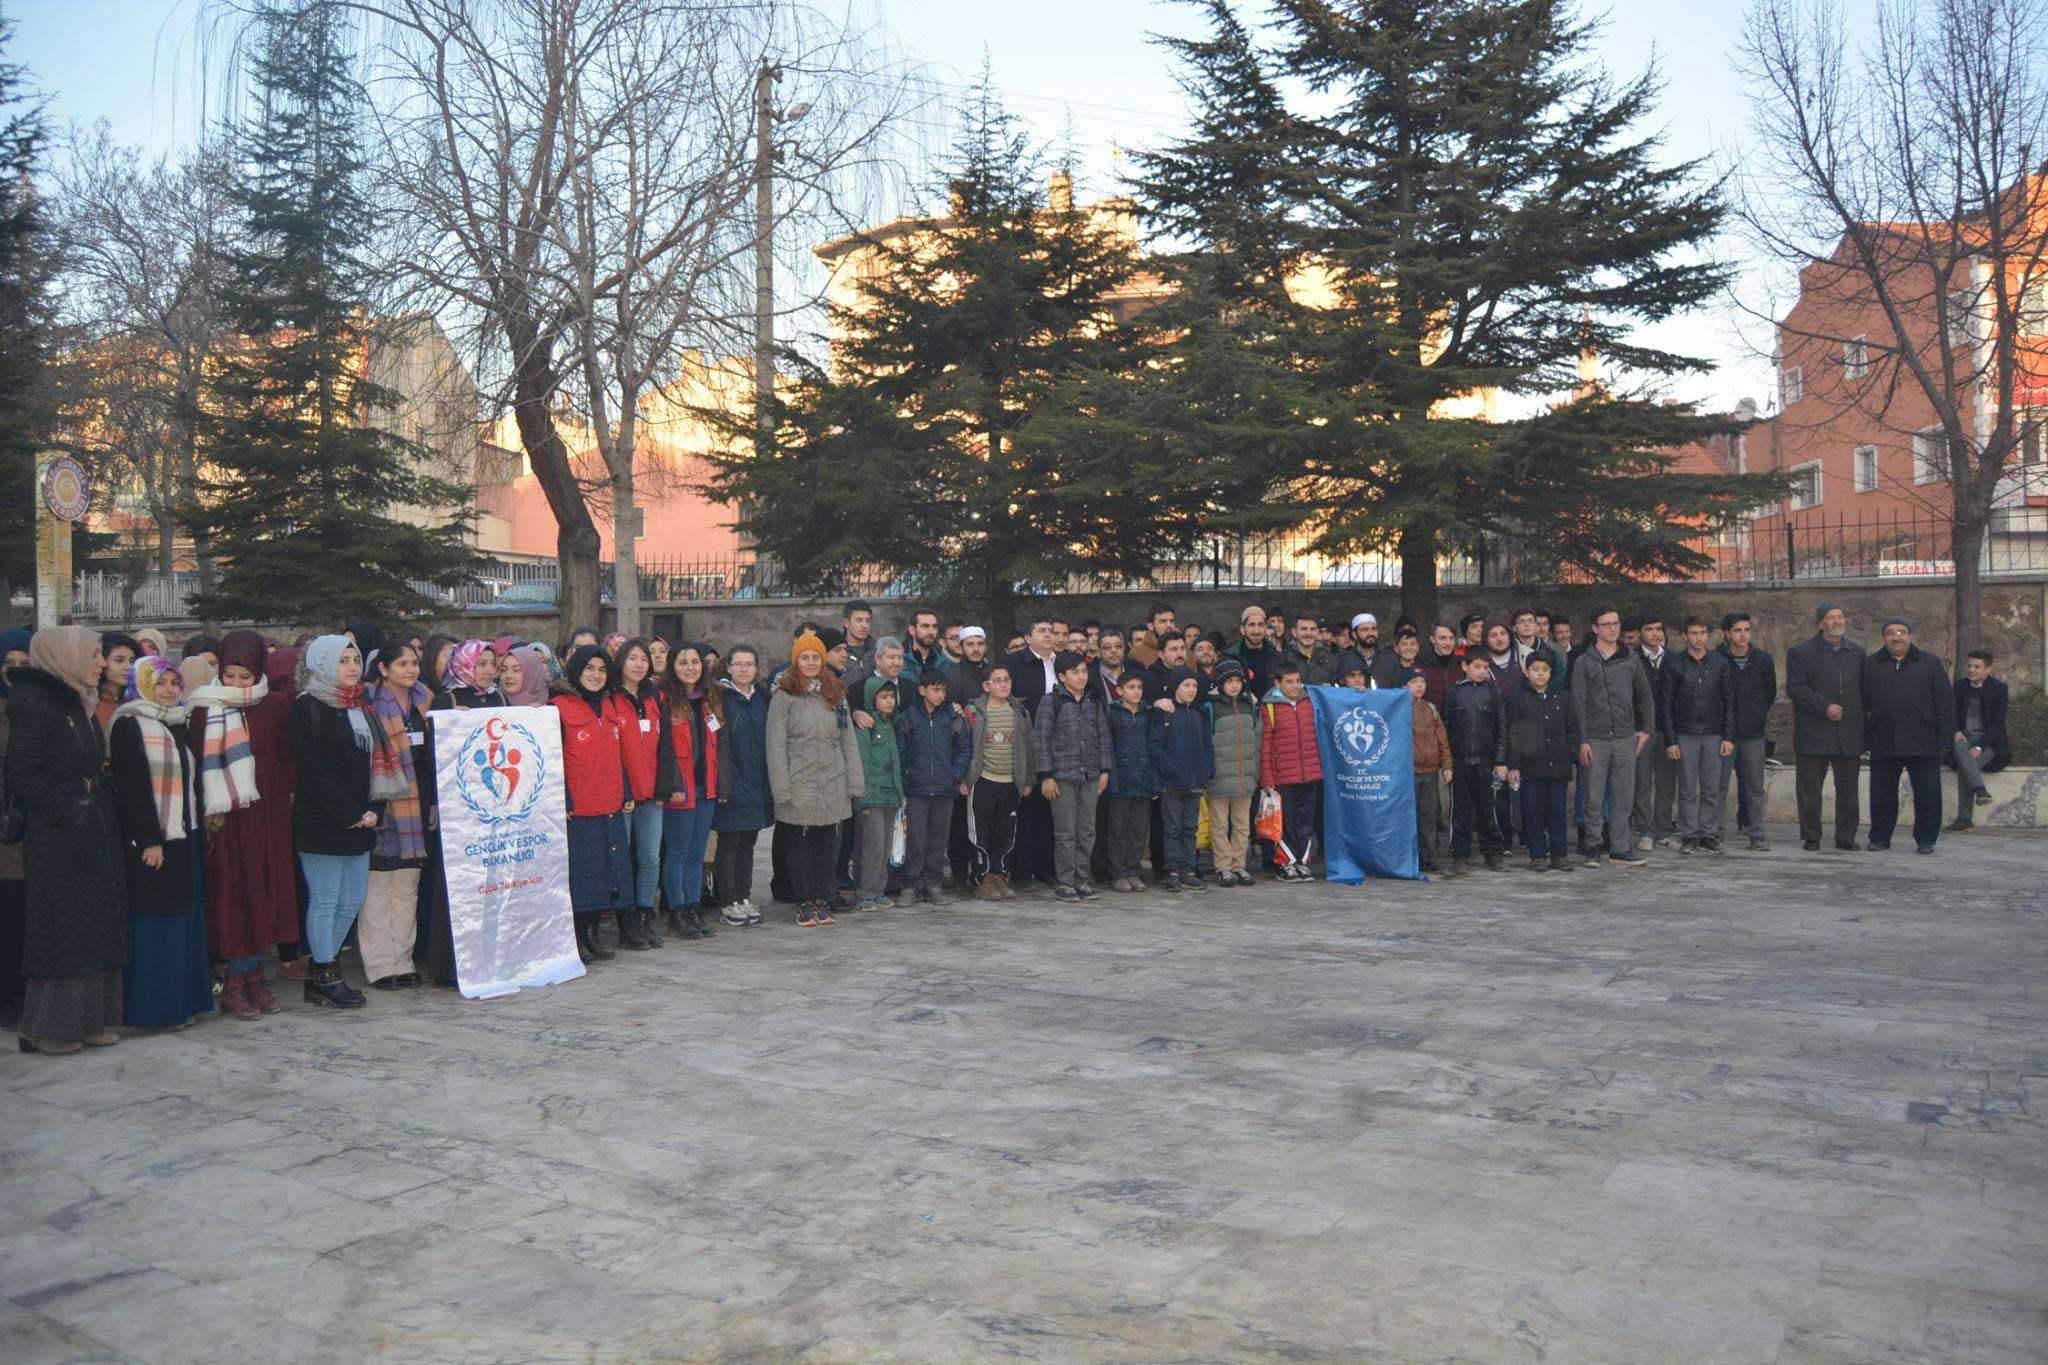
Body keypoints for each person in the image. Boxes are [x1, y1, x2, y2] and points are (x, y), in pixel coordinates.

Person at [7, 628, 129, 1054]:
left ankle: (87, 1021)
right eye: (94, 655)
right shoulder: (38, 706)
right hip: (60, 834)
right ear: (66, 657)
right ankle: (47, 1028)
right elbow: (21, 773)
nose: (100, 662)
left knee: (95, 924)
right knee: (64, 930)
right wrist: (66, 813)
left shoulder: (77, 700)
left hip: (91, 827)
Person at [187, 632, 298, 1011]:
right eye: (230, 675)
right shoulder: (203, 708)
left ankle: (255, 976)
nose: (236, 684)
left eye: (245, 677)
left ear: (259, 672)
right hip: (228, 822)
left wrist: (281, 803)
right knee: (235, 897)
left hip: (268, 816)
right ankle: (236, 979)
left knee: (264, 894)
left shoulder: (276, 706)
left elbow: (287, 760)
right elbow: (199, 769)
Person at [106, 654, 214, 1030]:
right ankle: (156, 1011)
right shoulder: (129, 724)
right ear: (142, 685)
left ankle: (184, 1003)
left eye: (174, 683)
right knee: (156, 923)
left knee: (183, 922)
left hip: (185, 838)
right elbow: (132, 789)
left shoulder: (176, 723)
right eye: (160, 682)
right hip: (154, 842)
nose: (169, 690)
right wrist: (149, 839)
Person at [291, 636, 391, 1008]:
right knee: (326, 899)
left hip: (362, 820)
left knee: (353, 900)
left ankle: (321, 974)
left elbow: (378, 765)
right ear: (321, 663)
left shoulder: (361, 707)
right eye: (343, 660)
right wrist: (349, 813)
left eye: (355, 659)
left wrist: (374, 811)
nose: (352, 667)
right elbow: (310, 770)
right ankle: (326, 974)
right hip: (324, 821)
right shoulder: (306, 707)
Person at [769, 633, 865, 927]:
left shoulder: (835, 693)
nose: (810, 663)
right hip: (799, 783)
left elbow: (848, 739)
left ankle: (823, 897)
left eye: (815, 657)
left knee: (828, 845)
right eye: (804, 657)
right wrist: (781, 787)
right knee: (800, 845)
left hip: (833, 781)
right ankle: (803, 900)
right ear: (795, 661)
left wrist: (854, 782)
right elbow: (776, 745)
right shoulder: (784, 696)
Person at [361, 641, 434, 991]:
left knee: (407, 889)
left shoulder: (425, 701)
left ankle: (403, 961)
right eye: (402, 663)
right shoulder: (370, 706)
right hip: (383, 804)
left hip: (416, 807)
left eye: (414, 663)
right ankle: (379, 966)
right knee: (378, 890)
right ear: (384, 668)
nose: (411, 669)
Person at [551, 646, 631, 960]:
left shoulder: (610, 705)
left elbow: (617, 753)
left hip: (609, 803)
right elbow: (554, 758)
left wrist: (624, 790)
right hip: (579, 807)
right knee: (580, 875)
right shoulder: (558, 707)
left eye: (601, 669)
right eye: (589, 669)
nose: (596, 675)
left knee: (604, 873)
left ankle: (593, 934)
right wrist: (564, 798)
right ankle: (575, 938)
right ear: (576, 671)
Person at [1861, 616, 1954, 854]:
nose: (1896, 637)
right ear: (1884, 638)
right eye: (1890, 632)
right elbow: (1862, 704)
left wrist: (1944, 739)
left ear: (1910, 635)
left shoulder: (1930, 664)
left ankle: (1926, 840)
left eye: (1901, 632)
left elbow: (1945, 703)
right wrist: (1865, 739)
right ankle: (1880, 838)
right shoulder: (1871, 665)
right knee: (1881, 796)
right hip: (1884, 741)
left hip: (1923, 742)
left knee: (1928, 795)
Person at [1571, 607, 1652, 868]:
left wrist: (1646, 730)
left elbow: (1645, 696)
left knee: (1624, 796)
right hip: (1595, 739)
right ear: (1595, 628)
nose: (1612, 628)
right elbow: (1578, 704)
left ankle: (1620, 848)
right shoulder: (1584, 661)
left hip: (1626, 737)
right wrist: (1582, 739)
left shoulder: (1631, 659)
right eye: (1606, 624)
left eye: (1615, 623)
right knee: (1593, 797)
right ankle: (1593, 846)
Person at [653, 643, 723, 936]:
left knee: (697, 854)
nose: (690, 667)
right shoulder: (664, 699)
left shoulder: (708, 698)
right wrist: (672, 785)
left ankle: (694, 907)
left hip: (705, 787)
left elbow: (716, 744)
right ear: (673, 666)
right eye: (683, 662)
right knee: (678, 853)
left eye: (695, 662)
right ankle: (677, 912)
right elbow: (662, 749)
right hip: (680, 788)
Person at [1784, 603, 1865, 852]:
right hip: (1814, 731)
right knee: (1809, 789)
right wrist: (1824, 706)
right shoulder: (1800, 653)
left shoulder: (1857, 652)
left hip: (1848, 733)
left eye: (1841, 617)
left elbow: (1865, 689)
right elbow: (1796, 689)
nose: (1837, 622)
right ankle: (1811, 836)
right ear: (1821, 624)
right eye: (1831, 618)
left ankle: (1846, 837)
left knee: (1849, 791)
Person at [1034, 651, 1112, 903]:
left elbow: (1103, 737)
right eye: (1075, 672)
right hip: (1062, 777)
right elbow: (1041, 739)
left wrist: (1105, 771)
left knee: (1087, 831)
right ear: (1062, 676)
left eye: (1083, 671)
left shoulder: (1093, 700)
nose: (1081, 676)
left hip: (1090, 774)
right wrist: (1046, 775)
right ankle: (1065, 882)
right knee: (1066, 831)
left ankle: (1082, 879)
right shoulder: (1051, 701)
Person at [898, 670, 972, 906]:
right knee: (916, 839)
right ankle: (911, 885)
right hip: (917, 788)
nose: (940, 695)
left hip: (944, 788)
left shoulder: (952, 717)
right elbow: (900, 752)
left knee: (938, 840)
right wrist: (904, 779)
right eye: (935, 689)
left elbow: (964, 748)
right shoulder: (908, 717)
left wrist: (955, 775)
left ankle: (934, 884)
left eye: (943, 690)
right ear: (922, 691)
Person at [610, 638, 665, 951]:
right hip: (624, 796)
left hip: (651, 794)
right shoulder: (611, 698)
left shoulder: (654, 697)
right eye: (632, 658)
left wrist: (663, 788)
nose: (640, 663)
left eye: (644, 658)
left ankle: (645, 913)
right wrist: (624, 788)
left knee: (650, 858)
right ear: (621, 663)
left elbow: (665, 746)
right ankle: (625, 920)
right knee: (623, 860)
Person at [1000, 619, 1063, 890]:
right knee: (1026, 810)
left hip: (1059, 746)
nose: (1048, 635)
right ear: (1028, 637)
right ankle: (1022, 871)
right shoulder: (1016, 664)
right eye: (1042, 631)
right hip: (1026, 744)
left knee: (1052, 812)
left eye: (1051, 631)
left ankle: (1047, 868)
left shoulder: (1062, 664)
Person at [711, 646, 771, 926]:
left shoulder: (763, 698)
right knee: (729, 843)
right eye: (739, 664)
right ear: (729, 668)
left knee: (749, 842)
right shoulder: (720, 698)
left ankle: (744, 896)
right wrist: (727, 781)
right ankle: (728, 900)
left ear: (757, 669)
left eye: (750, 664)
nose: (744, 669)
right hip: (731, 784)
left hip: (758, 782)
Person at [1663, 618, 1735, 855]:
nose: (1699, 638)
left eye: (1703, 633)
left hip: (1714, 734)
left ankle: (1709, 834)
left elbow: (1730, 702)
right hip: (1686, 734)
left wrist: (1728, 736)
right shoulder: (1674, 663)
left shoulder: (1720, 663)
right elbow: (1667, 704)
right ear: (1685, 636)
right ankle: (1689, 835)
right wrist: (1671, 740)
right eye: (1693, 633)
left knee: (1711, 788)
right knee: (1686, 788)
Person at [1505, 653, 1578, 873]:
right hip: (1530, 766)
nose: (1540, 673)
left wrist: (1570, 753)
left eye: (1545, 669)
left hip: (1558, 764)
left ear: (1551, 673)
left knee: (1557, 812)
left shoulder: (1563, 697)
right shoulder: (1518, 697)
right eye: (1535, 669)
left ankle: (1559, 854)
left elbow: (1573, 728)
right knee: (1533, 811)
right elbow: (1513, 733)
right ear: (1527, 672)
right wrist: (1514, 765)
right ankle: (1537, 854)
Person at [966, 661, 1033, 900]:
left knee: (1005, 833)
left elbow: (1029, 748)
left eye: (1007, 680)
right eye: (997, 681)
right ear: (986, 685)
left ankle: (999, 874)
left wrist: (1028, 780)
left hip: (1010, 782)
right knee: (981, 832)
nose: (1003, 684)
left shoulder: (1020, 712)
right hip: (983, 780)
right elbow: (966, 747)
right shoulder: (974, 711)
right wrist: (965, 778)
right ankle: (982, 878)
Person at [1444, 650, 1508, 874]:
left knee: (1487, 808)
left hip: (1486, 760)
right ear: (1465, 666)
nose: (1481, 672)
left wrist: (1500, 760)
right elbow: (1446, 728)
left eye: (1485, 667)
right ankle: (1460, 854)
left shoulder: (1493, 693)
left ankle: (1492, 853)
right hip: (1460, 760)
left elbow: (1502, 729)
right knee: (1460, 810)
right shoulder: (1453, 692)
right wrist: (1448, 763)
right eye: (1477, 667)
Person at [1716, 613, 1776, 850]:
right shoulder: (1717, 659)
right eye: (1738, 630)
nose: (1743, 634)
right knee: (1718, 785)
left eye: (1746, 629)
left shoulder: (1762, 659)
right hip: (1723, 733)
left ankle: (1757, 832)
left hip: (1753, 733)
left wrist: (1757, 713)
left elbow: (1769, 692)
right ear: (1727, 634)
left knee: (1754, 785)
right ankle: (1715, 833)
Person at [1151, 668, 1214, 893]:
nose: (1191, 690)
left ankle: (1188, 868)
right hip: (1172, 784)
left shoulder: (1199, 714)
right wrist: (1171, 770)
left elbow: (1207, 746)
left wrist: (1205, 771)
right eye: (1186, 685)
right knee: (1172, 829)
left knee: (1190, 828)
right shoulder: (1165, 713)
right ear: (1176, 687)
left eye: (1194, 686)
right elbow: (1156, 747)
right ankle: (1172, 871)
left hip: (1194, 782)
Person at [1259, 661, 1322, 880]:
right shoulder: (1269, 707)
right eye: (1289, 682)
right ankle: (1285, 862)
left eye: (1298, 681)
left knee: (1305, 820)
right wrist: (1267, 777)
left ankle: (1301, 861)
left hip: (1310, 774)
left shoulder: (1311, 701)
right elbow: (1265, 745)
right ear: (1277, 683)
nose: (1295, 686)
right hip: (1283, 776)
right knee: (1284, 822)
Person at [1206, 659, 1263, 887]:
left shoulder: (1250, 704)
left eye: (1238, 681)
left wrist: (1256, 771)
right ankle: (1222, 866)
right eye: (1229, 681)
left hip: (1245, 776)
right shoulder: (1212, 706)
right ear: (1220, 683)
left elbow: (1257, 740)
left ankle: (1239, 865)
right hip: (1219, 776)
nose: (1234, 685)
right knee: (1219, 824)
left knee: (1242, 824)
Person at [1101, 672, 1159, 893]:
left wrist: (1154, 781)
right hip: (1121, 781)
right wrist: (1111, 780)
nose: (1136, 691)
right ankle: (1118, 873)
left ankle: (1133, 870)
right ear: (1120, 690)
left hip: (1143, 780)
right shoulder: (1113, 714)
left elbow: (1153, 747)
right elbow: (1108, 749)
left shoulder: (1147, 714)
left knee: (1138, 829)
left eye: (1139, 687)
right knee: (1118, 829)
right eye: (1131, 687)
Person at [851, 677, 904, 911]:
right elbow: (861, 763)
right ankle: (865, 892)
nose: (889, 701)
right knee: (872, 845)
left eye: (891, 696)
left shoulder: (890, 725)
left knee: (885, 846)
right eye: (883, 697)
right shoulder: (867, 728)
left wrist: (899, 791)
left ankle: (879, 889)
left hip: (890, 796)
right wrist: (862, 798)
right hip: (871, 796)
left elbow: (895, 763)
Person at [0, 627, 29, 1027]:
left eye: (26, 664)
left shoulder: (37, 707)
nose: (18, 671)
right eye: (11, 664)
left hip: (32, 833)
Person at [1948, 649, 2011, 831]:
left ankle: (1964, 819)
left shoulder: (1999, 689)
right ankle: (1979, 791)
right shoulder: (1959, 687)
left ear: (1988, 669)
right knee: (1960, 748)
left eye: (1977, 667)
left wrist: (1979, 745)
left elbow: (1998, 724)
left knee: (1966, 765)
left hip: (1989, 742)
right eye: (1969, 666)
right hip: (1963, 739)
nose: (1971, 670)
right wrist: (1955, 730)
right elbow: (1950, 714)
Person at [1632, 615, 1678, 850]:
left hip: (1668, 731)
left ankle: (1662, 830)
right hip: (1641, 732)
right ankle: (1645, 831)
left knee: (1666, 783)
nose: (1655, 633)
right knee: (1642, 783)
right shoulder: (1632, 659)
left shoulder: (1674, 658)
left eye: (1658, 628)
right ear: (1640, 633)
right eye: (1649, 628)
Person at [1223, 606, 1285, 697]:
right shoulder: (1230, 657)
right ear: (1242, 629)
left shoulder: (1277, 656)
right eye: (1251, 625)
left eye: (1261, 625)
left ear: (1266, 628)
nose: (1256, 630)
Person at [96, 631, 139, 743]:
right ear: (101, 661)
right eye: (119, 660)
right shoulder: (89, 701)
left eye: (132, 661)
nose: (128, 667)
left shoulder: (139, 700)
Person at [439, 639, 499, 708]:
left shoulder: (498, 697)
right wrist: (452, 716)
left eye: (493, 664)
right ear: (464, 666)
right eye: (482, 664)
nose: (491, 671)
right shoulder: (447, 700)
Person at [842, 599, 876, 668]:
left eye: (868, 621)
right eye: (859, 620)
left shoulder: (878, 650)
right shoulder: (838, 652)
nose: (864, 625)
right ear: (846, 623)